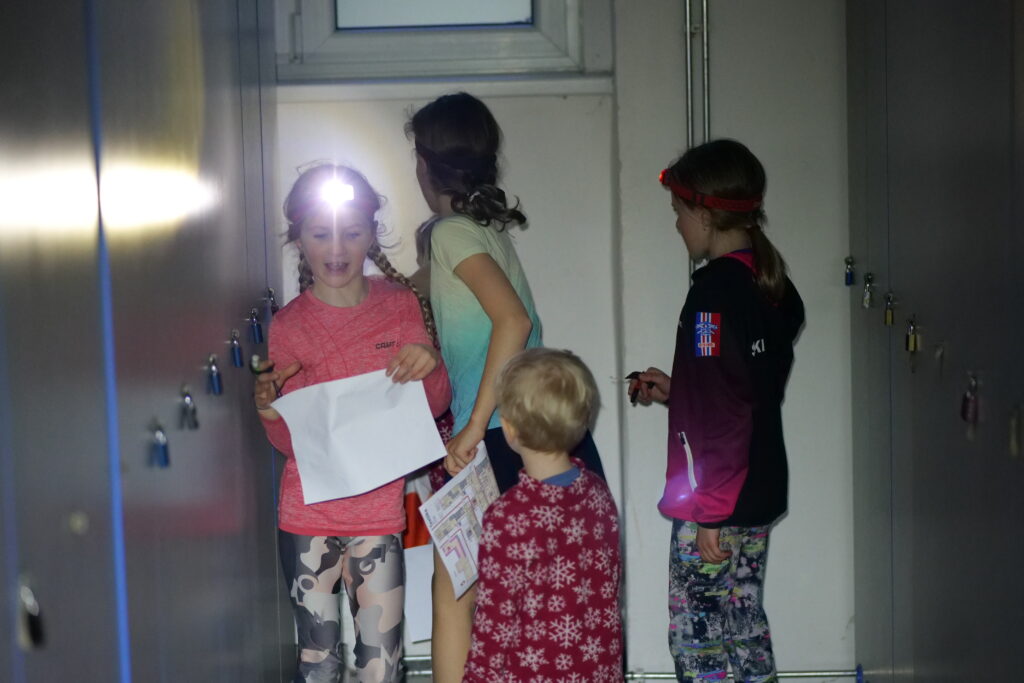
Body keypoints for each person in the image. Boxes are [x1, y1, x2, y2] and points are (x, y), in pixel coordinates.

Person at [405, 91, 606, 681]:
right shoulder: (482, 230)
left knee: (455, 587)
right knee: (538, 591)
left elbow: (513, 321)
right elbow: (432, 292)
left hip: (496, 434)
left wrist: (472, 427)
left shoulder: (451, 233)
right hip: (525, 432)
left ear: (425, 163)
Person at [253, 163, 451, 683]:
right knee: (317, 661)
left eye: (352, 233)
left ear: (371, 234)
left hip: (378, 517)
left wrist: (430, 365)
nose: (337, 249)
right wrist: (270, 410)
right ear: (300, 239)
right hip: (307, 517)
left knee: (381, 664)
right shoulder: (288, 326)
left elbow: (433, 408)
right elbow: (290, 443)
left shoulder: (400, 305)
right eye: (321, 235)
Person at [628, 139, 805, 683]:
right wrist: (681, 390)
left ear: (704, 215)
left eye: (678, 212)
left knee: (698, 634)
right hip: (759, 486)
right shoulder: (772, 286)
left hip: (718, 498)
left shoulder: (711, 298)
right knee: (743, 623)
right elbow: (739, 384)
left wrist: (710, 511)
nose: (676, 225)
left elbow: (726, 407)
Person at [463, 348, 622, 682]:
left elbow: (494, 619)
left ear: (508, 429)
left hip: (532, 672)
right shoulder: (598, 494)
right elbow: (609, 585)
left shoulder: (508, 516)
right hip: (597, 668)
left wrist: (477, 678)